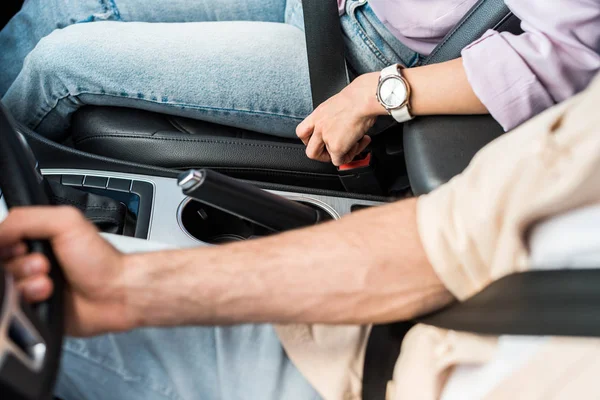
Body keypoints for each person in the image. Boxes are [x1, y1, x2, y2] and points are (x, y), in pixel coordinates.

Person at [2, 73, 600, 400]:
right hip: (352, 335)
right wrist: (126, 285)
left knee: (63, 61)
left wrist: (381, 91)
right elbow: (436, 241)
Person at [1, 0, 599, 166]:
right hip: (327, 7)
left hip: (364, 64)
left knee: (63, 60)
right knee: (53, 7)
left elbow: (565, 55)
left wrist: (376, 96)